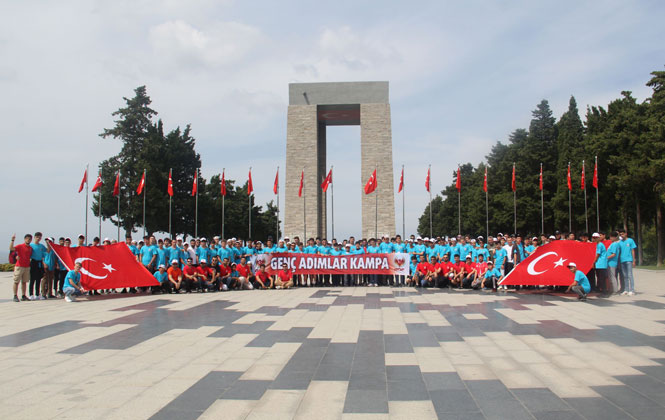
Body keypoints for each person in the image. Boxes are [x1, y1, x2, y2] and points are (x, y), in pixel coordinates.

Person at [10, 233, 32, 302]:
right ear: (25, 239)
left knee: (24, 282)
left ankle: (23, 295)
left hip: (27, 266)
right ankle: (15, 295)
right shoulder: (20, 246)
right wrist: (12, 240)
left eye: (30, 239)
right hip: (19, 266)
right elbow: (11, 248)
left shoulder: (30, 248)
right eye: (27, 238)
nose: (28, 240)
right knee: (16, 281)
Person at [618, 229, 637, 295]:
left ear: (626, 234)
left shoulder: (630, 240)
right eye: (620, 234)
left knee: (630, 275)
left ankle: (632, 290)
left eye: (622, 234)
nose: (622, 235)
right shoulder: (620, 242)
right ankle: (626, 289)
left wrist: (634, 260)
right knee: (625, 275)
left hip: (629, 260)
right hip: (622, 260)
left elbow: (633, 250)